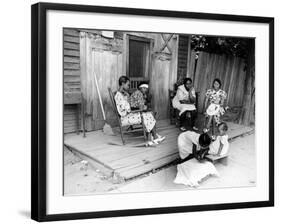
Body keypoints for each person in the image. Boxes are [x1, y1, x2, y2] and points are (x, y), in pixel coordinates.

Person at [114, 76, 165, 146]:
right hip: (125, 118)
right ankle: (153, 136)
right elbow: (123, 110)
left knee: (148, 115)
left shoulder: (121, 94)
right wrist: (130, 104)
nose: (129, 86)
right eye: (128, 85)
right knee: (148, 115)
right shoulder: (118, 95)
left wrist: (127, 96)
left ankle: (152, 136)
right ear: (123, 83)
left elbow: (127, 104)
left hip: (128, 115)